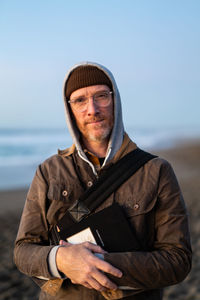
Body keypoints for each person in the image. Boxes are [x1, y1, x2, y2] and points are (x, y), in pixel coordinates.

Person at [14, 62, 192, 300]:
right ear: (69, 110)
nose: (92, 109)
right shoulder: (48, 172)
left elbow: (177, 261)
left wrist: (96, 263)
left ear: (115, 100)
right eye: (80, 100)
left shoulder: (156, 171)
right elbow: (23, 250)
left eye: (101, 96)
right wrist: (61, 260)